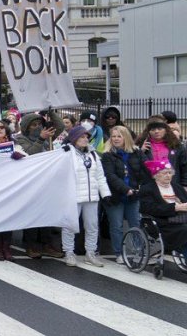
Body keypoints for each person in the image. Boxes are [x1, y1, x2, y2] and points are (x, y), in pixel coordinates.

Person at [61, 124, 111, 267]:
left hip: (91, 197)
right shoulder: (67, 154)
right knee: (70, 225)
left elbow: (100, 176)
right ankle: (69, 252)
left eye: (86, 137)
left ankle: (90, 253)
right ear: (74, 139)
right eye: (81, 137)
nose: (85, 139)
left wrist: (105, 193)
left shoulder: (93, 154)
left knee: (92, 226)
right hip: (74, 197)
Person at [16, 113, 62, 259]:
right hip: (31, 183)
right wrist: (41, 138)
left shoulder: (48, 137)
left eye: (39, 124)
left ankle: (47, 244)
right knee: (32, 215)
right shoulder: (20, 139)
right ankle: (31, 245)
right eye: (34, 125)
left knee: (47, 214)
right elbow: (30, 153)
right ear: (26, 127)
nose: (38, 127)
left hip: (47, 182)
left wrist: (50, 112)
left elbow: (60, 126)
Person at [102, 126, 145, 264]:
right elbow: (110, 176)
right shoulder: (107, 155)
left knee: (135, 224)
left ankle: (138, 250)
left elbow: (145, 169)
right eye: (113, 136)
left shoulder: (136, 152)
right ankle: (119, 253)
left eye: (119, 136)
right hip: (115, 196)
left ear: (125, 137)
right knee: (117, 226)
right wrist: (126, 189)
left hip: (133, 195)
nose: (115, 139)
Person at [138, 158, 187, 257]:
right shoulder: (147, 189)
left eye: (170, 173)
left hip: (182, 219)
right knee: (185, 230)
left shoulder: (177, 187)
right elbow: (148, 208)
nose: (168, 175)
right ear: (156, 175)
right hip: (162, 223)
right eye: (164, 173)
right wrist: (174, 208)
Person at [139, 116, 187, 186]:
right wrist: (141, 152)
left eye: (160, 128)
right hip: (150, 187)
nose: (156, 131)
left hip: (173, 185)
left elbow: (184, 168)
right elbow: (135, 168)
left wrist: (185, 185)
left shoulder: (176, 145)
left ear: (165, 130)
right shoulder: (141, 145)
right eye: (153, 129)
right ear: (148, 132)